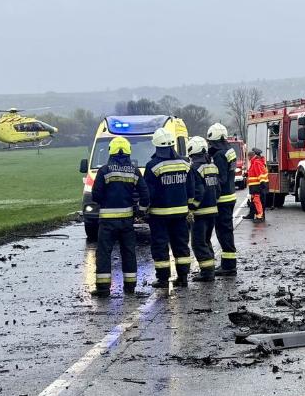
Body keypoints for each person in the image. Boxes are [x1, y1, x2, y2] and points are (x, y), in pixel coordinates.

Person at [90, 136, 149, 296]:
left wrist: (106, 201)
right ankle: (130, 288)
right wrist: (140, 211)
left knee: (104, 253)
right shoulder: (134, 171)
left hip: (107, 222)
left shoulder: (104, 170)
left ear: (111, 151)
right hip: (126, 221)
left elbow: (96, 195)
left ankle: (103, 289)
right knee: (128, 252)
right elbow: (145, 194)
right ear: (128, 151)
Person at [144, 127, 194, 289]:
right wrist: (189, 206)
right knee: (181, 245)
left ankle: (163, 279)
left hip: (159, 215)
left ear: (156, 145)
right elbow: (191, 188)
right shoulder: (185, 163)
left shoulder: (152, 166)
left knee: (160, 246)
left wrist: (144, 209)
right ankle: (183, 277)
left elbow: (149, 192)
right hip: (181, 214)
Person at [186, 136, 220, 282]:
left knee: (198, 243)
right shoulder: (212, 167)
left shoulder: (194, 168)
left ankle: (207, 273)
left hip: (200, 213)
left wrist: (191, 208)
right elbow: (218, 189)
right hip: (212, 211)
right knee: (206, 241)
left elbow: (198, 191)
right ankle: (210, 269)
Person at [206, 123, 238, 276]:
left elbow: (221, 178)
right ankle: (228, 264)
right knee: (226, 231)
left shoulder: (219, 155)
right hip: (230, 195)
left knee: (223, 232)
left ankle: (229, 266)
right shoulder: (229, 150)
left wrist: (210, 189)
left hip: (223, 199)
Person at [246, 147, 269, 223]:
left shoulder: (256, 162)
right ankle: (256, 215)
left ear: (250, 156)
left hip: (256, 186)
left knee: (257, 201)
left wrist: (262, 183)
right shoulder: (255, 162)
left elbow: (260, 173)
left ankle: (260, 216)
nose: (248, 159)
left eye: (248, 157)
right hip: (255, 186)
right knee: (255, 201)